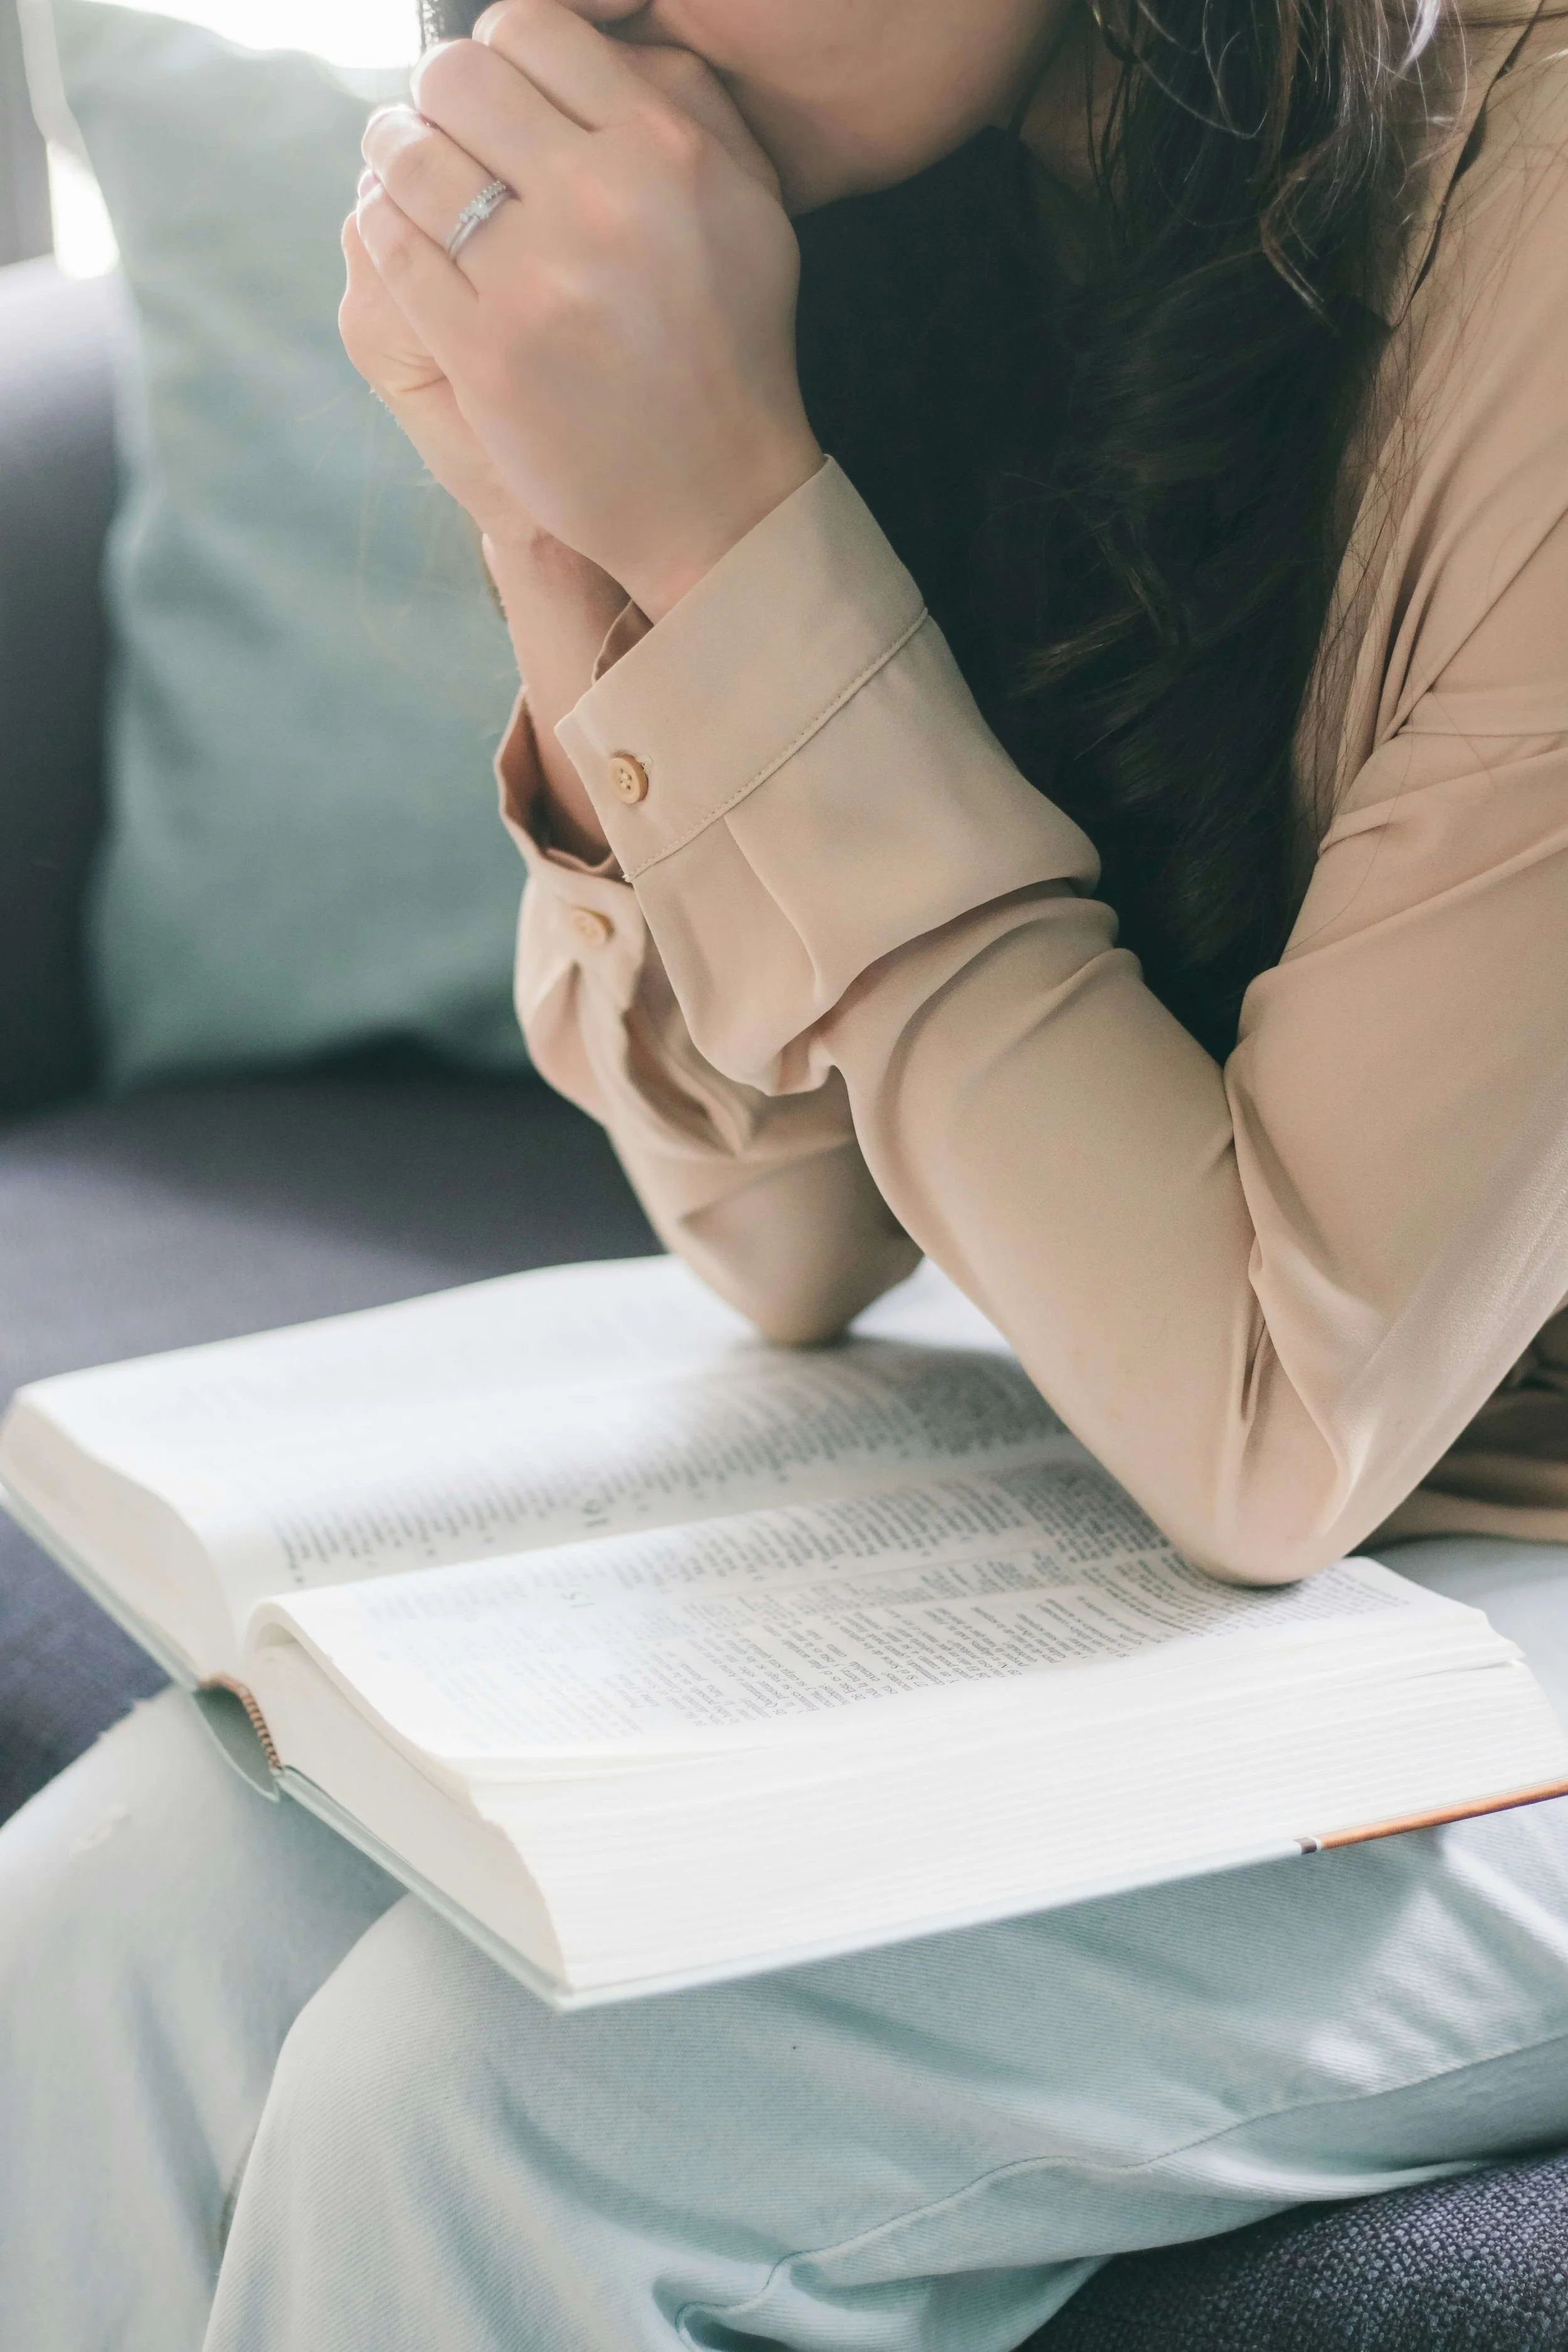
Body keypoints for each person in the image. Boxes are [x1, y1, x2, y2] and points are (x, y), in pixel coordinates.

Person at [3, 0, 1567, 2343]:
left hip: (1463, 1560)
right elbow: (787, 1228)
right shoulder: (926, 198)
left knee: (493, 2107)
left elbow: (1270, 1413)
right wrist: (572, 540)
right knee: (111, 1921)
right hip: (1273, 1513)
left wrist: (729, 526)